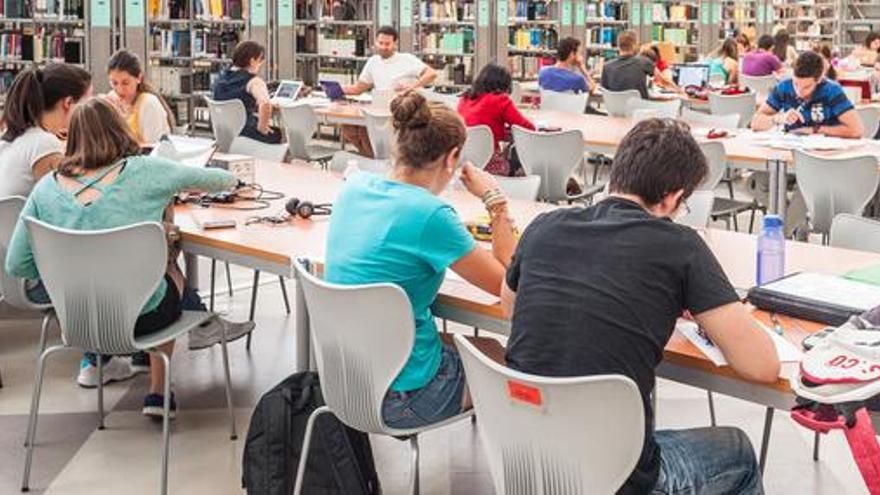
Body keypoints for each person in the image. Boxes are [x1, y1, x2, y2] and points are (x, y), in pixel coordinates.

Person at [502, 118, 779, 495]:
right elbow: (762, 366)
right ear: (671, 196)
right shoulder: (680, 247)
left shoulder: (544, 226)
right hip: (615, 477)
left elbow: (511, 311)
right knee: (737, 450)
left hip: (526, 458)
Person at [4, 97, 253, 416]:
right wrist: (236, 182)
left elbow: (16, 264)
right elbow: (219, 181)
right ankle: (158, 393)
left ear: (71, 137)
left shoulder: (45, 189)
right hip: (144, 317)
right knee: (167, 262)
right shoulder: (144, 170)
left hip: (77, 320)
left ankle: (98, 361)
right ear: (118, 129)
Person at [324, 91, 514, 429]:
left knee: (480, 346)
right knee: (507, 362)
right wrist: (494, 199)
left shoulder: (354, 187)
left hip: (348, 379)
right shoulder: (431, 214)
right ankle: (522, 473)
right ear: (452, 157)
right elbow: (506, 287)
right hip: (403, 398)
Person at [751, 51, 862, 237]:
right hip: (788, 159)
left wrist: (816, 130)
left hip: (820, 164)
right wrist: (779, 118)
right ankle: (796, 224)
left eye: (806, 87)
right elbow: (756, 122)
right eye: (796, 84)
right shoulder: (784, 87)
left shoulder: (831, 91)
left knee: (804, 190)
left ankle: (782, 236)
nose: (799, 92)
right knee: (753, 183)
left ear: (819, 79)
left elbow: (856, 130)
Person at [342, 26, 438, 157]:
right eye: (380, 43)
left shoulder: (407, 59)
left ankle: (376, 158)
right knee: (348, 128)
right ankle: (372, 157)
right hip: (378, 108)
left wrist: (411, 87)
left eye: (387, 44)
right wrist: (337, 89)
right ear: (375, 42)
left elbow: (431, 74)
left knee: (369, 132)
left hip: (401, 110)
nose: (383, 47)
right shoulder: (373, 62)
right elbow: (358, 89)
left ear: (395, 44)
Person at [0, 63, 91, 198]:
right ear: (68, 103)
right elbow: (68, 202)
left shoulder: (10, 139)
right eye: (88, 103)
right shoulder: (44, 143)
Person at [458, 63, 535, 176]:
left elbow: (481, 127)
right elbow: (529, 128)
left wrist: (503, 132)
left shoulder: (465, 98)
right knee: (520, 159)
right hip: (490, 166)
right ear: (504, 85)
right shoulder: (500, 100)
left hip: (463, 163)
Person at [212, 41, 282, 144]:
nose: (261, 64)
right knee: (281, 134)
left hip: (224, 134)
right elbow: (265, 103)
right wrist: (263, 128)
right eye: (260, 60)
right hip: (246, 134)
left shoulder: (220, 79)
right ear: (252, 61)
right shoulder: (254, 81)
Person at [105, 49, 175, 145]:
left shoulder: (148, 104)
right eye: (114, 83)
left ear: (139, 78)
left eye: (125, 83)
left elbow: (152, 147)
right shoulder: (111, 99)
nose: (119, 89)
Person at [600, 30, 655, 99]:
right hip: (640, 107)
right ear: (634, 45)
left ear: (618, 45)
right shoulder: (643, 62)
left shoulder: (606, 67)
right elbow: (661, 78)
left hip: (614, 108)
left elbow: (604, 90)